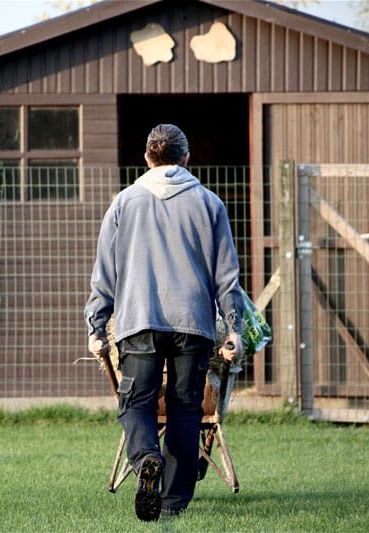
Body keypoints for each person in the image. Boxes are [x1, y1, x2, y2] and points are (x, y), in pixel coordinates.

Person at [84, 124, 250, 521]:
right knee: (185, 409)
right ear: (186, 158)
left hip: (138, 320)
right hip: (192, 323)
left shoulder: (124, 203)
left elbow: (104, 273)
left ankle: (144, 461)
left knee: (136, 402)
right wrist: (234, 329)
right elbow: (227, 275)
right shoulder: (210, 204)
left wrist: (96, 326)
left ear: (147, 158)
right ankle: (173, 503)